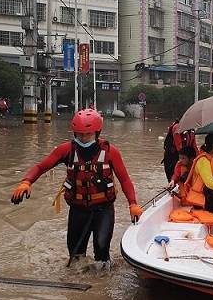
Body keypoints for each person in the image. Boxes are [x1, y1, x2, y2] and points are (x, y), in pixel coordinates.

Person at [10, 109, 142, 269]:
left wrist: (133, 204)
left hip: (103, 209)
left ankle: (100, 285)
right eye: (79, 134)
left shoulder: (110, 152)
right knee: (75, 257)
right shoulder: (66, 150)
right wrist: (26, 182)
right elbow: (40, 167)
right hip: (78, 209)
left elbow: (125, 179)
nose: (83, 138)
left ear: (97, 132)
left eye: (87, 134)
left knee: (101, 253)